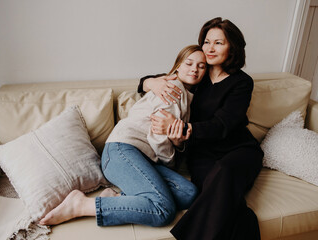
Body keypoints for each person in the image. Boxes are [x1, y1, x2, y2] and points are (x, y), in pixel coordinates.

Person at [39, 45, 207, 227]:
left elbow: (166, 136)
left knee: (189, 193)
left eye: (201, 66)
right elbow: (158, 139)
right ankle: (82, 205)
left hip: (140, 158)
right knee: (162, 210)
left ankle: (116, 198)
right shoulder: (174, 90)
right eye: (189, 63)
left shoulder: (187, 97)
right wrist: (172, 159)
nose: (194, 69)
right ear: (177, 67)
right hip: (122, 151)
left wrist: (177, 141)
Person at [138, 17, 264, 240]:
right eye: (207, 42)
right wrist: (152, 82)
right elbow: (146, 82)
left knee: (224, 173)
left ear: (232, 47)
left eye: (219, 43)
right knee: (235, 210)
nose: (210, 48)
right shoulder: (197, 75)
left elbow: (223, 125)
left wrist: (182, 128)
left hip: (238, 150)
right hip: (202, 155)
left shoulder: (242, 82)